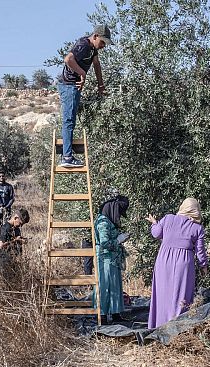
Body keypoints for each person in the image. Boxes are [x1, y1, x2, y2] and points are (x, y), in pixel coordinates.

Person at [145, 198, 209, 328]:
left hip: (163, 260)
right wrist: (204, 266)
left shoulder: (168, 219)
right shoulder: (197, 228)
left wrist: (154, 223)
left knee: (162, 293)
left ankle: (159, 325)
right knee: (181, 294)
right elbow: (200, 251)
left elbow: (157, 234)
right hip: (184, 263)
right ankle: (177, 327)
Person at [57, 24, 112, 168]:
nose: (103, 46)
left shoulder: (93, 49)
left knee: (72, 120)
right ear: (95, 36)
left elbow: (97, 65)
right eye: (102, 42)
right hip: (69, 86)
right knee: (68, 120)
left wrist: (101, 85)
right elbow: (68, 59)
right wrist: (82, 73)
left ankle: (67, 155)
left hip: (74, 87)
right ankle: (67, 157)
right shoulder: (84, 45)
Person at [91, 191, 129, 323]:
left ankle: (115, 313)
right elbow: (105, 243)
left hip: (112, 260)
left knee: (114, 285)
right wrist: (119, 240)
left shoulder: (108, 221)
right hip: (105, 259)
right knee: (105, 285)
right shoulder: (103, 223)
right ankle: (102, 315)